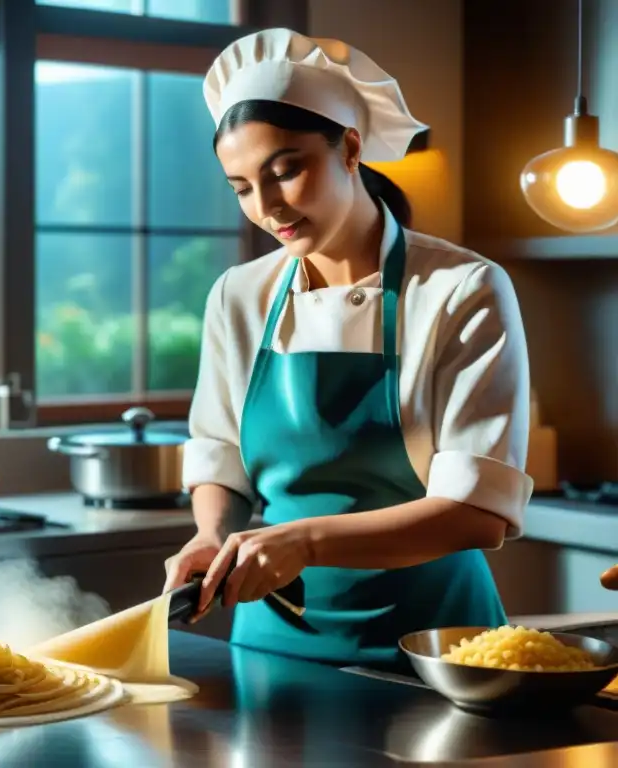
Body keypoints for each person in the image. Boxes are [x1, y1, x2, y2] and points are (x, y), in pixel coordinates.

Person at [162, 28, 534, 669]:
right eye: (242, 187)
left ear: (351, 147)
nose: (267, 206)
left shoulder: (461, 289)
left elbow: (478, 512)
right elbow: (220, 455)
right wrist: (211, 534)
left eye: (286, 170)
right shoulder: (238, 296)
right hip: (271, 648)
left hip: (439, 648)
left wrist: (302, 543)